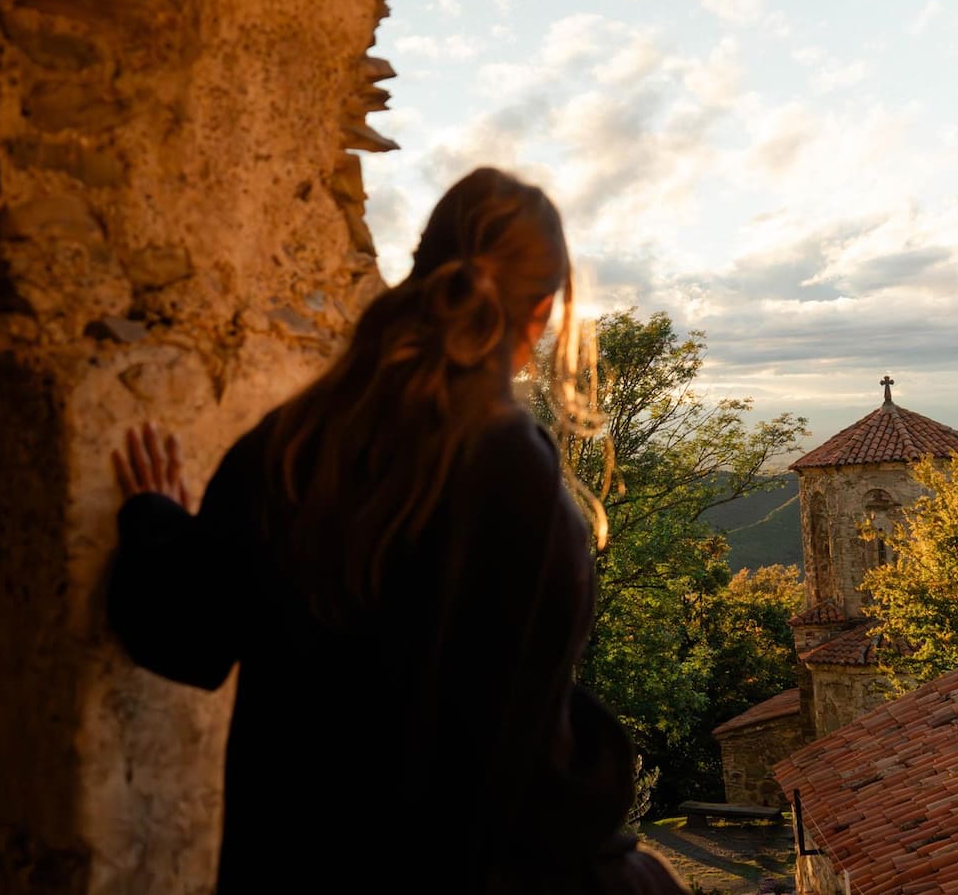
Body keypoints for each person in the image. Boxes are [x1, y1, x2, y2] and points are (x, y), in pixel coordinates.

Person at [107, 167, 687, 894]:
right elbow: (517, 754)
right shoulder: (517, 472)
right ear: (541, 313)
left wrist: (154, 519)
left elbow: (184, 637)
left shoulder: (292, 444)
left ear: (420, 267)